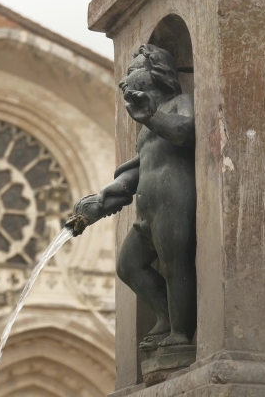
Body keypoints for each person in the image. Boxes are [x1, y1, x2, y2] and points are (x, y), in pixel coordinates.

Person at [67, 44, 196, 350]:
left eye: (133, 70)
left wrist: (152, 117)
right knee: (128, 265)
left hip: (174, 199)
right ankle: (165, 316)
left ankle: (181, 334)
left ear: (159, 74)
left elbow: (185, 133)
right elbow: (140, 166)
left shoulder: (180, 102)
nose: (124, 81)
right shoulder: (145, 125)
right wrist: (106, 196)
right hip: (147, 207)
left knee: (176, 266)